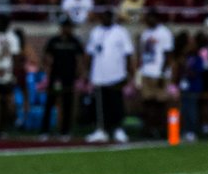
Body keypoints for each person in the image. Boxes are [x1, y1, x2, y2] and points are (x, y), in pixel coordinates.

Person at [85, 9, 134, 143]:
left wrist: (129, 72)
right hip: (99, 74)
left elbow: (128, 53)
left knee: (116, 104)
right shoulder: (96, 32)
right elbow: (90, 53)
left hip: (116, 74)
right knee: (101, 106)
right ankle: (101, 130)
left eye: (109, 16)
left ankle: (118, 129)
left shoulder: (121, 32)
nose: (106, 18)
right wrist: (87, 72)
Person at [40, 18, 85, 140]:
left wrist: (80, 73)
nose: (68, 29)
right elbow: (46, 57)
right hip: (56, 77)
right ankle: (45, 131)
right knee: (50, 103)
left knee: (67, 104)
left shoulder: (75, 42)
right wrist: (47, 71)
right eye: (66, 27)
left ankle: (65, 131)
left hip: (69, 78)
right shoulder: (54, 41)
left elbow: (80, 58)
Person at [137, 9, 174, 138]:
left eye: (149, 17)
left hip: (158, 73)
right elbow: (142, 54)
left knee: (160, 103)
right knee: (147, 102)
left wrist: (163, 74)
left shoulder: (164, 33)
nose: (146, 20)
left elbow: (168, 55)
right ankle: (149, 128)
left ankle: (162, 129)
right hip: (147, 71)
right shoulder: (145, 33)